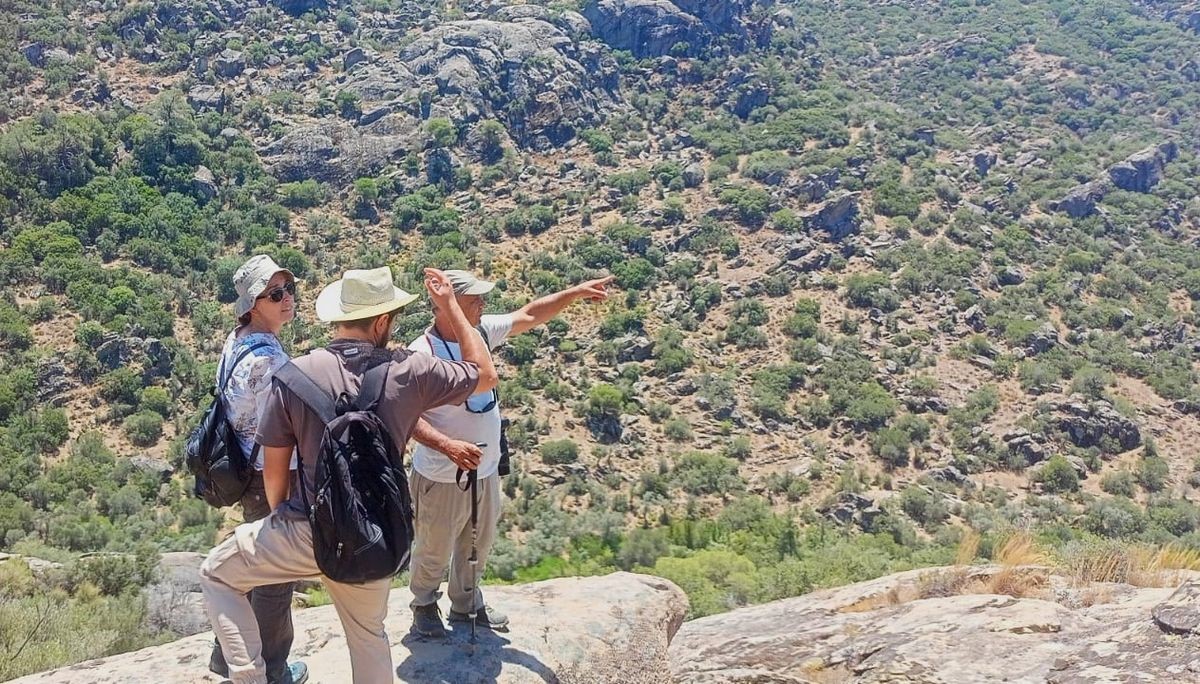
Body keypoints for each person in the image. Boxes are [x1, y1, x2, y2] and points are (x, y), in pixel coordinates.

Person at [199, 266, 498, 684]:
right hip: (372, 538)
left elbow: (274, 466)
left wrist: (283, 520)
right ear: (381, 321)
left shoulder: (293, 374)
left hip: (304, 530)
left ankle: (250, 676)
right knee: (368, 638)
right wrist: (450, 305)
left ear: (338, 318)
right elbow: (484, 375)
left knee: (217, 574)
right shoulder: (409, 370)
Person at [407, 270, 614, 638]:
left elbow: (530, 315)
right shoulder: (422, 353)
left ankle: (466, 604)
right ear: (447, 304)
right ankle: (424, 604)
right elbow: (407, 419)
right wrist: (447, 446)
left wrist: (575, 291)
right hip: (440, 474)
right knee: (433, 547)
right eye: (475, 299)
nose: (484, 303)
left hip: (484, 470)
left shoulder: (481, 332)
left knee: (477, 543)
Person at [209, 254, 307, 684]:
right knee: (274, 575)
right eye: (275, 294)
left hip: (245, 469)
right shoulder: (267, 359)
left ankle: (224, 657)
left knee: (243, 568)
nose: (288, 300)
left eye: (288, 290)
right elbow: (285, 426)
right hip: (270, 476)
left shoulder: (238, 339)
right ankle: (272, 671)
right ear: (254, 304)